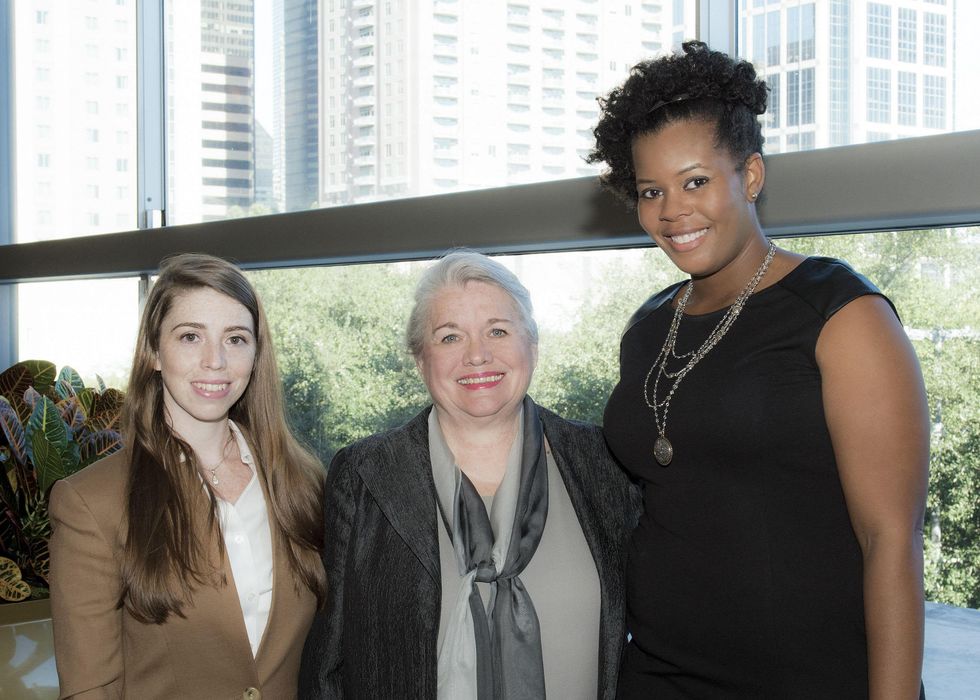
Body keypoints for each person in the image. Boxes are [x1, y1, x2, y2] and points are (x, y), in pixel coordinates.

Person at [590, 41, 929, 699]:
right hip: (656, 674)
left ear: (749, 176)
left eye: (696, 181)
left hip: (809, 681)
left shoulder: (840, 315)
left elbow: (891, 540)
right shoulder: (648, 327)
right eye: (652, 191)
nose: (672, 211)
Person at [299, 250, 639, 699]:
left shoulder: (605, 462)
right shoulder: (364, 476)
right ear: (420, 360)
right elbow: (327, 662)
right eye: (450, 337)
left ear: (533, 347)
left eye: (498, 331)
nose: (478, 355)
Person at [49, 253, 327, 699]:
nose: (215, 360)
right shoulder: (92, 502)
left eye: (235, 339)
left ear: (256, 354)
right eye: (191, 336)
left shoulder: (302, 484)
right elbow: (89, 689)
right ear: (154, 352)